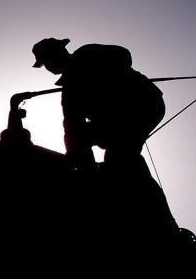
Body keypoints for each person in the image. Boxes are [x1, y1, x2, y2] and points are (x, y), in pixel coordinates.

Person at [31, 37, 183, 247]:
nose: (47, 67)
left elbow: (124, 55)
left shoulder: (87, 54)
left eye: (46, 61)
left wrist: (100, 77)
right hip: (115, 122)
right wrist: (79, 163)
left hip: (143, 105)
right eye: (44, 64)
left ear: (58, 53)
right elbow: (72, 128)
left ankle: (166, 227)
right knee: (116, 160)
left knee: (121, 157)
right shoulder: (69, 93)